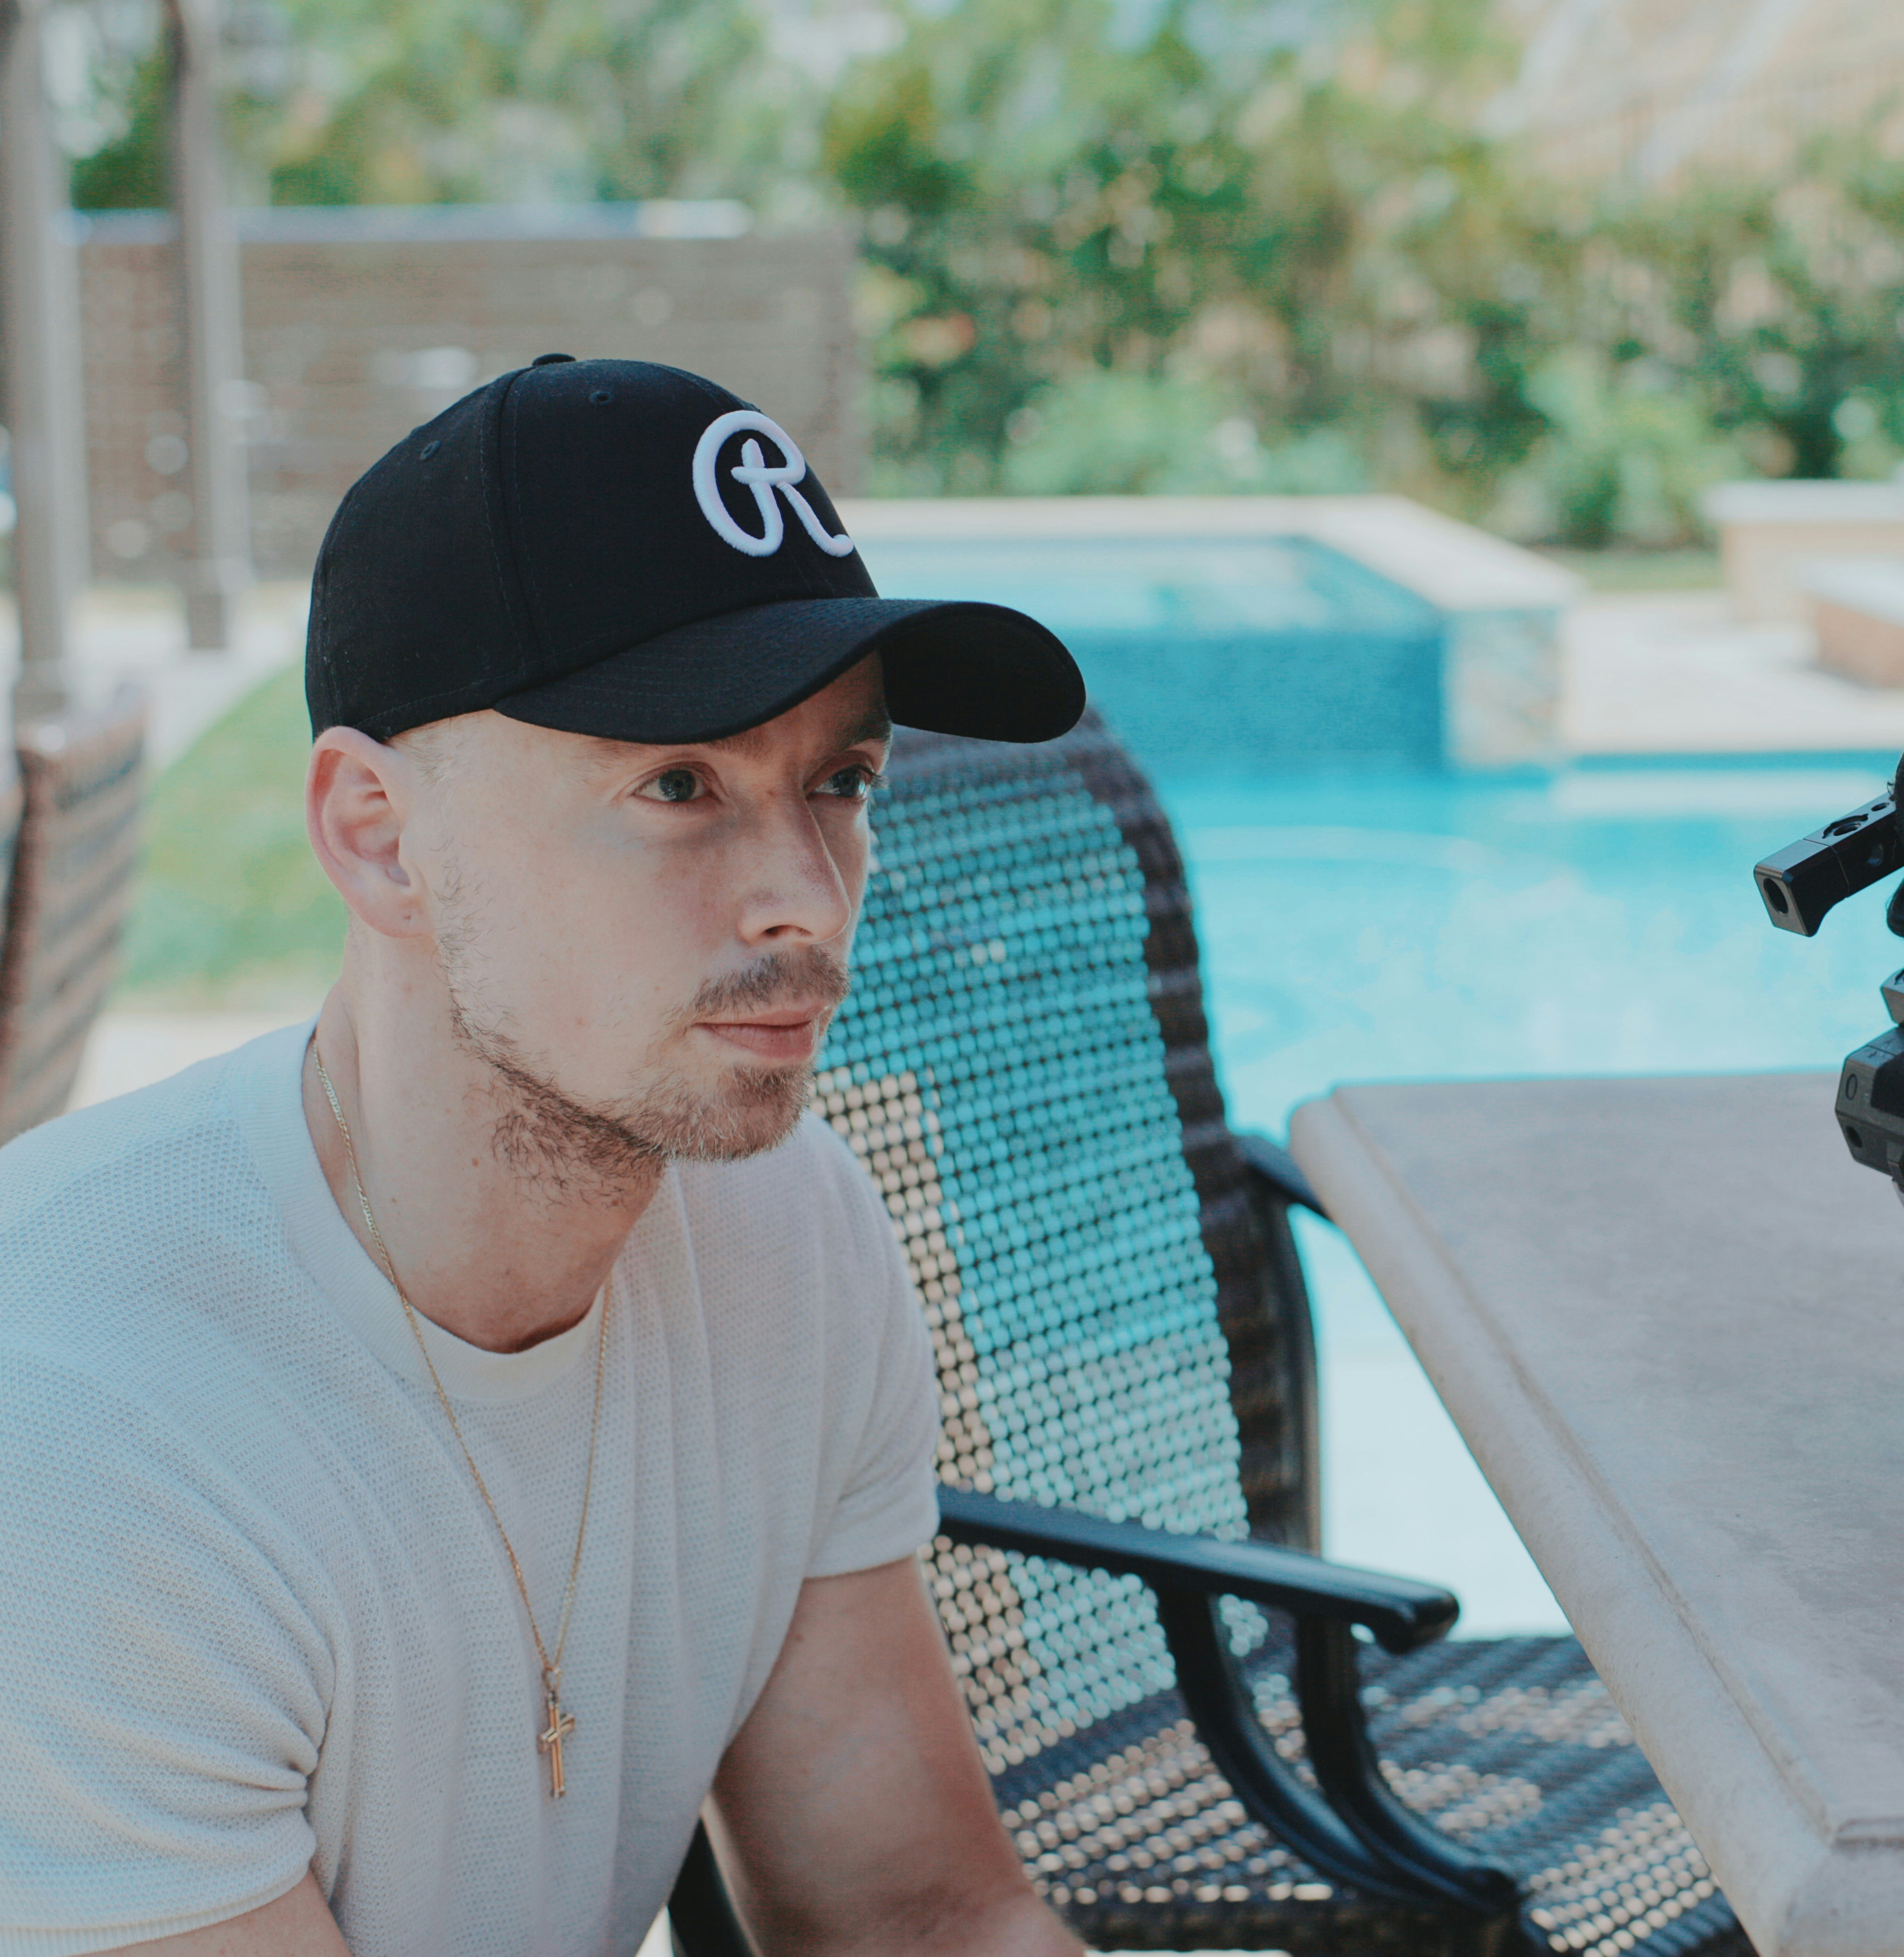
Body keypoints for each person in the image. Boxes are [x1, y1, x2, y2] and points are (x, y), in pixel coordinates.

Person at [0, 356, 1093, 1955]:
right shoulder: (87, 1424)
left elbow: (919, 1921)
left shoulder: (788, 1231)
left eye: (842, 782)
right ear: (380, 835)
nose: (809, 894)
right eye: (678, 783)